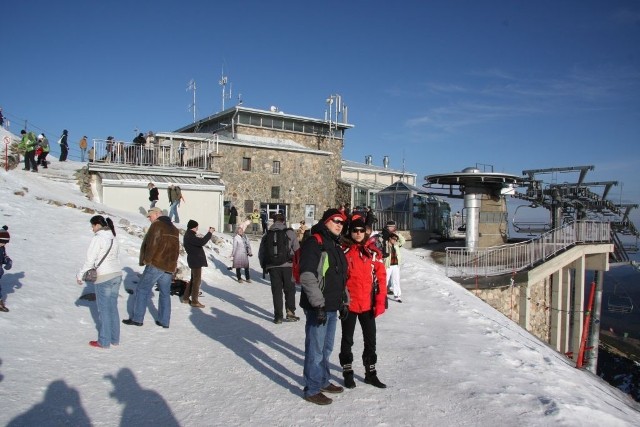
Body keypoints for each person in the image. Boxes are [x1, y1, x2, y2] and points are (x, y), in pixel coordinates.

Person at [299, 208, 348, 405]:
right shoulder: (315, 242)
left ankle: (323, 380)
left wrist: (344, 300)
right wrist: (318, 304)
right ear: (326, 221)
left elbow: (340, 277)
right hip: (318, 307)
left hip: (332, 306)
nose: (339, 224)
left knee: (326, 348)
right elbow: (307, 275)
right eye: (336, 220)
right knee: (316, 349)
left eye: (342, 222)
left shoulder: (335, 244)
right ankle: (311, 388)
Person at [339, 216, 388, 389]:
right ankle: (347, 372)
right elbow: (338, 278)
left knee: (370, 340)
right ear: (350, 232)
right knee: (347, 339)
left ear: (365, 232)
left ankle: (370, 373)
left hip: (367, 304)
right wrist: (340, 301)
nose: (358, 233)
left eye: (361, 230)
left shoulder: (373, 252)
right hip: (349, 304)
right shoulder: (343, 251)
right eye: (355, 230)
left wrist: (381, 299)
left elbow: (381, 277)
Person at [123, 207, 180, 328]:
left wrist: (147, 260)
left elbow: (152, 245)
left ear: (157, 214)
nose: (149, 218)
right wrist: (173, 265)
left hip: (156, 263)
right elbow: (176, 249)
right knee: (165, 294)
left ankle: (137, 319)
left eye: (150, 216)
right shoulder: (174, 228)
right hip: (168, 266)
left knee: (142, 289)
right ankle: (164, 321)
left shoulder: (157, 225)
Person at [76, 215, 122, 348]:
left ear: (97, 225)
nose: (92, 229)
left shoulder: (98, 238)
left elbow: (90, 260)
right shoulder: (113, 238)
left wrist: (80, 275)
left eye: (92, 226)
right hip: (117, 274)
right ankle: (115, 338)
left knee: (104, 310)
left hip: (104, 276)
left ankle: (104, 341)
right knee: (112, 307)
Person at [258, 213, 299, 323]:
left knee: (276, 291)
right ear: (283, 221)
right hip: (288, 266)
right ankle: (290, 313)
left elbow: (261, 252)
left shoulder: (267, 235)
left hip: (272, 266)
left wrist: (264, 265)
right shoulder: (290, 232)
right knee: (289, 290)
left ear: (273, 221)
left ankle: (278, 316)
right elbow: (297, 250)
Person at [182, 220, 213, 308]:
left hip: (194, 260)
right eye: (197, 227)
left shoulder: (189, 235)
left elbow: (199, 242)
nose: (197, 228)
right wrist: (209, 233)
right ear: (193, 227)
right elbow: (202, 242)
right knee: (197, 281)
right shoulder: (190, 235)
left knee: (193, 279)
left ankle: (185, 298)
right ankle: (194, 301)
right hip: (195, 260)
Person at [383, 221, 405, 302]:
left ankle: (397, 295)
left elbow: (403, 241)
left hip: (395, 265)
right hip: (387, 265)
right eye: (393, 239)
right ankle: (382, 295)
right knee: (385, 280)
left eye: (396, 239)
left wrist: (398, 234)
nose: (394, 240)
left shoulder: (396, 244)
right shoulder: (386, 242)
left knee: (396, 280)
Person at [0, 226, 13, 313]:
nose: (4, 244)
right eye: (2, 242)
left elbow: (4, 256)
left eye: (5, 243)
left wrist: (8, 261)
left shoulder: (2, 248)